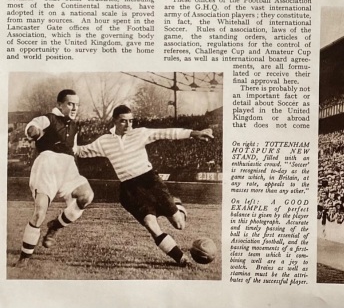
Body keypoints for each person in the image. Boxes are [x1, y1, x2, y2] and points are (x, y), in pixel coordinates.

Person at [74, 105, 215, 266]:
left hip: (150, 182)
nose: (128, 125)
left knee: (179, 224)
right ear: (114, 121)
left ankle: (177, 204)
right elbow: (81, 151)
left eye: (131, 121)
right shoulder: (104, 141)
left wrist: (194, 133)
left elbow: (167, 132)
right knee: (151, 224)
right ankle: (181, 259)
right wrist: (67, 141)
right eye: (123, 121)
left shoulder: (140, 133)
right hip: (130, 190)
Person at [16, 89, 95, 266]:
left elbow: (74, 150)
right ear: (59, 104)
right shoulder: (49, 118)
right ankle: (24, 258)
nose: (74, 108)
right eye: (70, 104)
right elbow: (32, 127)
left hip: (67, 167)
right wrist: (34, 132)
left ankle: (54, 228)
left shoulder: (74, 126)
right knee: (39, 213)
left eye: (76, 105)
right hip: (47, 165)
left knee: (86, 196)